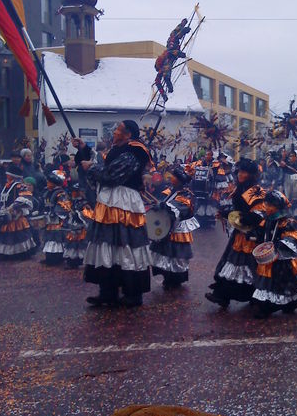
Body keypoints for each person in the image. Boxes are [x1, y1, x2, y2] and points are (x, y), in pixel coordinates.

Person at [77, 120, 153, 308]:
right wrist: (84, 149)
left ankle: (132, 293)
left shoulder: (134, 151)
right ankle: (108, 291)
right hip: (109, 201)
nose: (115, 132)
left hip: (124, 202)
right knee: (107, 244)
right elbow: (102, 161)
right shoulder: (116, 148)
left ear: (128, 135)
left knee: (126, 245)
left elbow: (112, 175)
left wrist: (91, 168)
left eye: (118, 129)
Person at [205, 158, 265, 309]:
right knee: (231, 263)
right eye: (239, 171)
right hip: (240, 232)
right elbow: (237, 210)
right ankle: (222, 295)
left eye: (244, 172)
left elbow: (259, 214)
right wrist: (226, 213)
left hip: (252, 235)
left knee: (248, 267)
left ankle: (253, 295)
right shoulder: (239, 188)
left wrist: (245, 218)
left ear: (251, 174)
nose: (240, 174)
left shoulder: (256, 191)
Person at [251, 190, 297, 319]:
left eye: (271, 205)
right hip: (268, 258)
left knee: (282, 283)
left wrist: (282, 243)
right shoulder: (267, 219)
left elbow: (293, 238)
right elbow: (260, 232)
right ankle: (267, 304)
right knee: (268, 282)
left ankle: (273, 306)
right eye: (267, 204)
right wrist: (253, 234)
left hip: (281, 259)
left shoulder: (286, 222)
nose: (267, 207)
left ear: (278, 207)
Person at [150, 168, 199, 289]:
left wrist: (164, 207)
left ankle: (175, 279)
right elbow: (163, 202)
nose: (171, 178)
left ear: (179, 180)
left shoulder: (186, 194)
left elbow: (180, 208)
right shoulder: (170, 190)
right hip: (167, 225)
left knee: (176, 253)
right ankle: (167, 276)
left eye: (174, 177)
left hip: (178, 228)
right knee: (166, 253)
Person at [0, 181, 36, 260]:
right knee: (6, 236)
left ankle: (20, 253)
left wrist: (15, 208)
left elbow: (25, 199)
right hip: (6, 214)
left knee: (19, 236)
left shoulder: (19, 186)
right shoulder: (6, 186)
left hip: (16, 215)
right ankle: (5, 254)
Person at [42, 170, 71, 265]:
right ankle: (49, 255)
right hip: (49, 220)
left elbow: (64, 206)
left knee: (57, 238)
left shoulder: (60, 193)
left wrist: (55, 212)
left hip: (58, 221)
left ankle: (57, 257)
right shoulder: (47, 192)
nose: (47, 183)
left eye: (49, 182)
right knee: (49, 238)